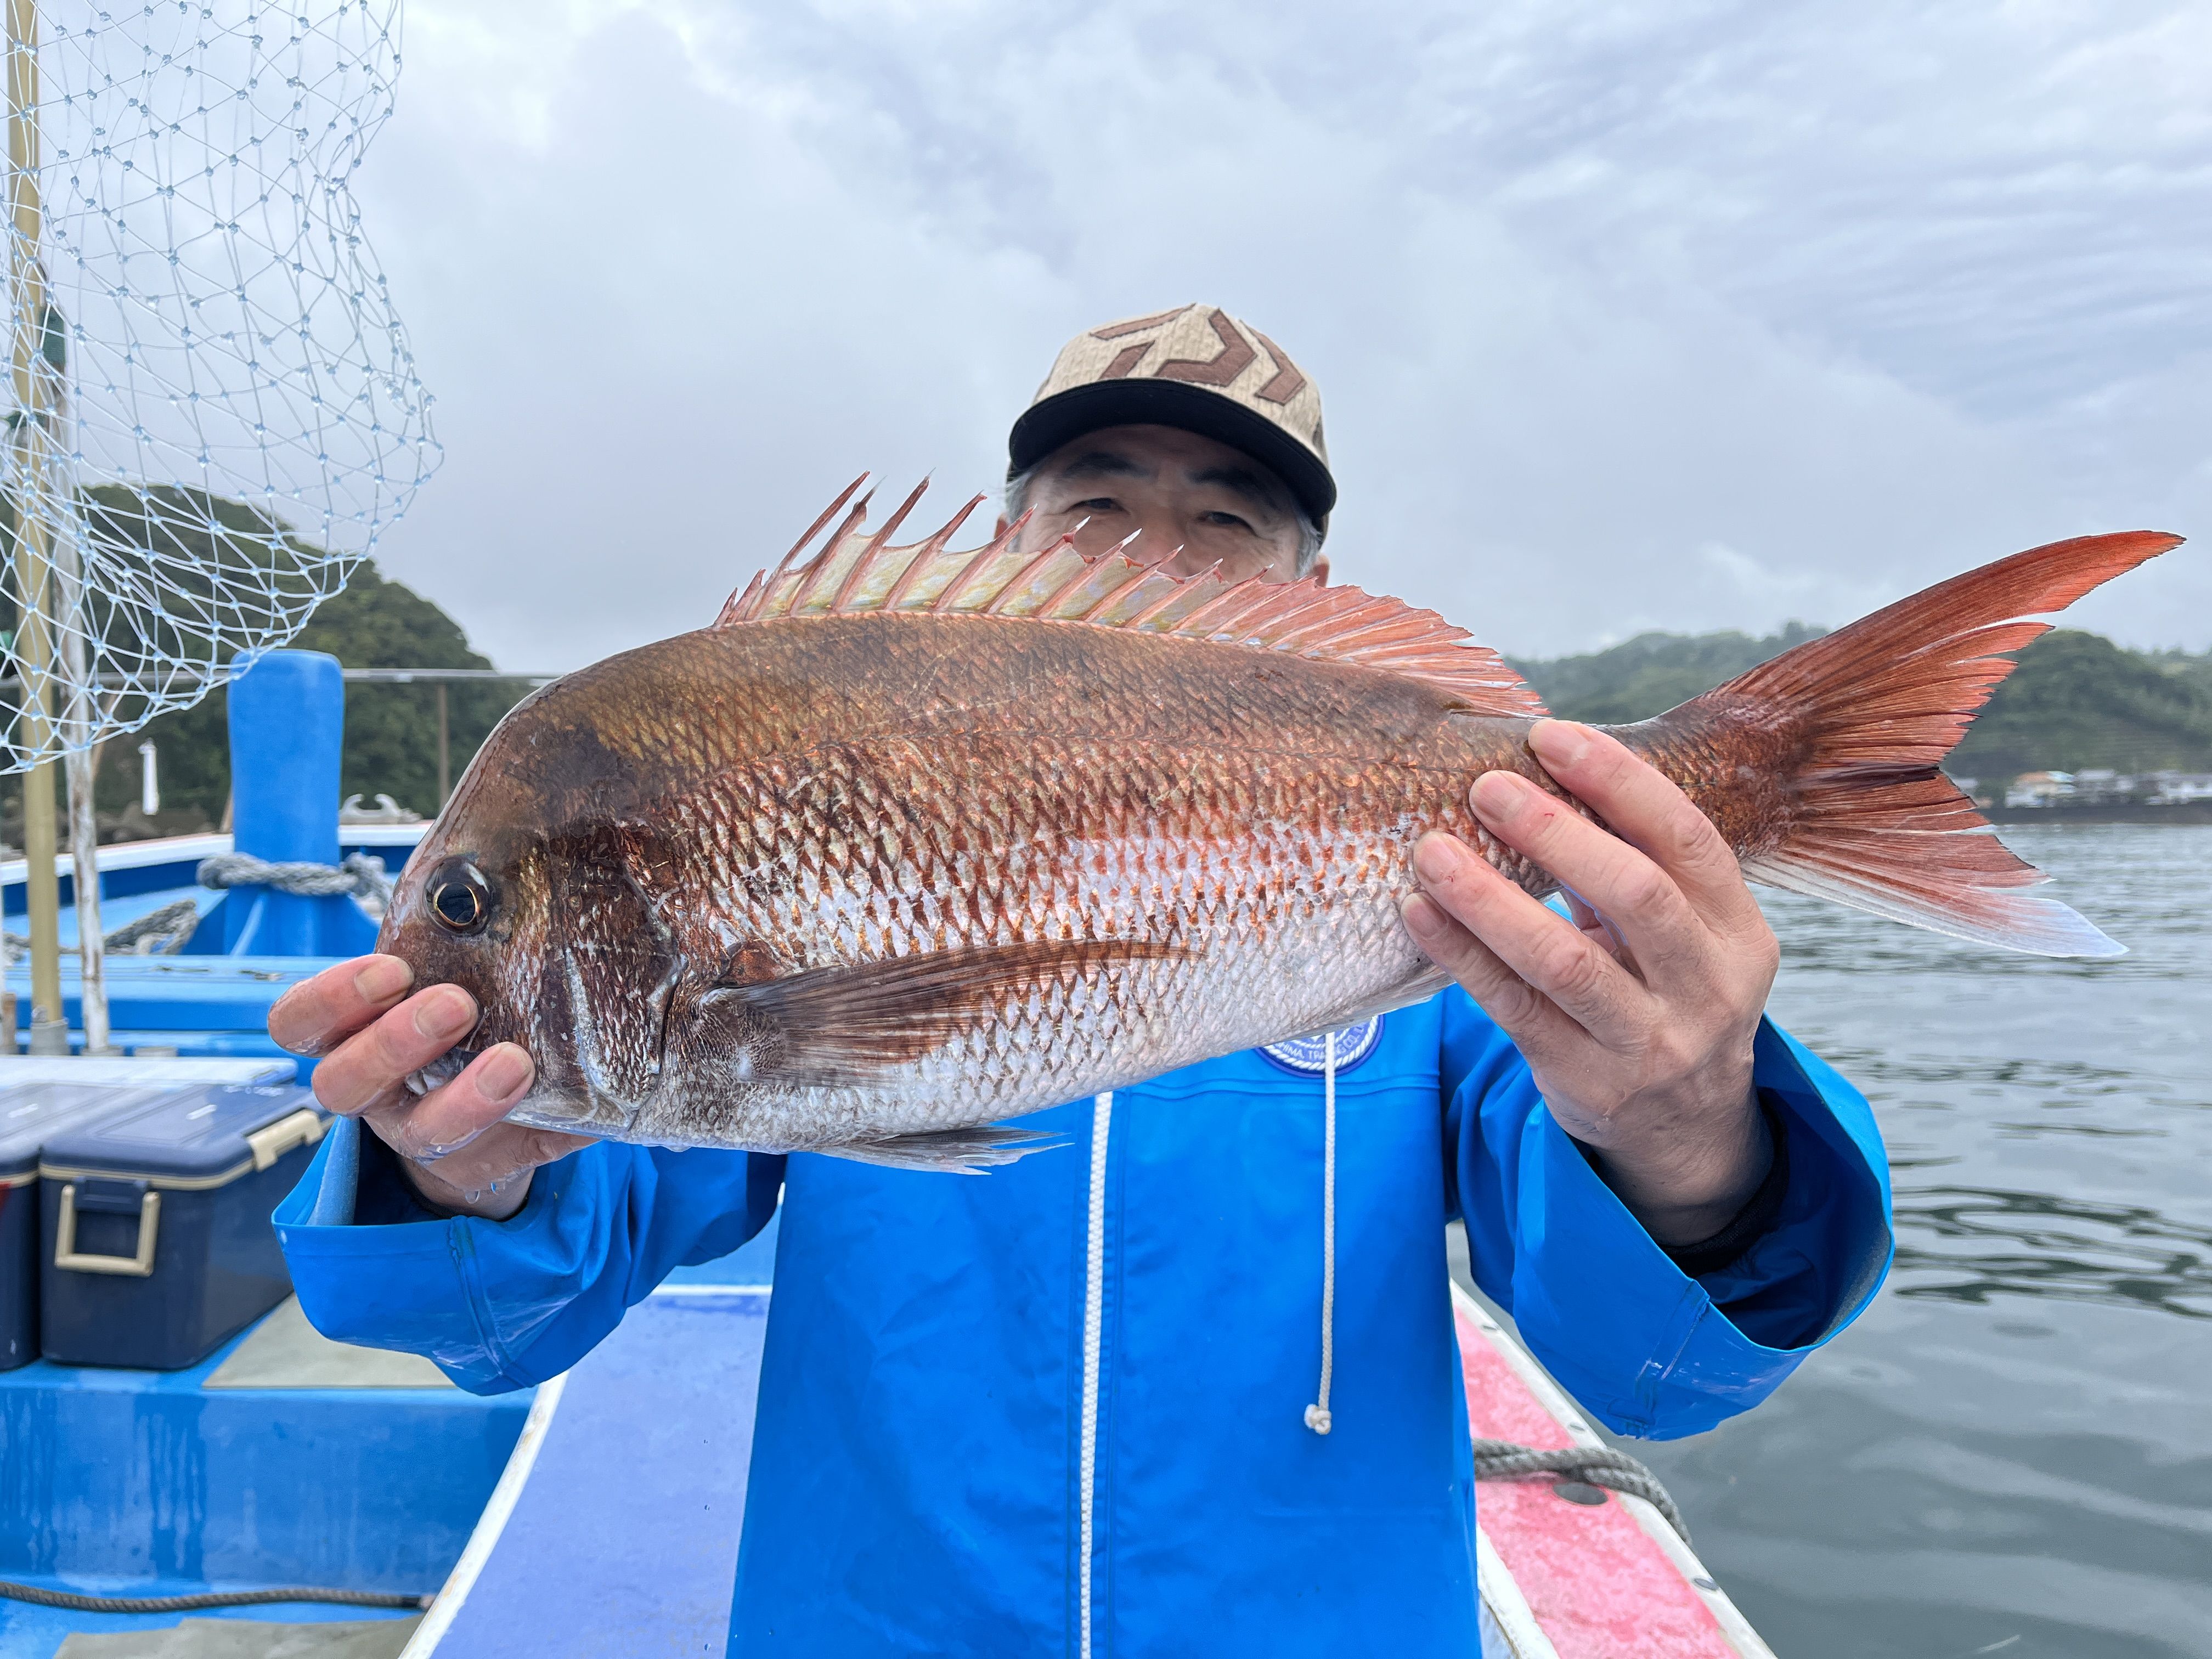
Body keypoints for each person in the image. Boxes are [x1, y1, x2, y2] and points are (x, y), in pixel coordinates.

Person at [272, 304, 1892, 1656]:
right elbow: (534, 1292)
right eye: (1096, 508)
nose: (1157, 561)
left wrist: (1692, 1137)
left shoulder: (1472, 935)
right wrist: (458, 1174)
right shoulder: (805, 794)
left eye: (1228, 522)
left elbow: (1656, 1366)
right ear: (1005, 554)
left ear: (1315, 597)